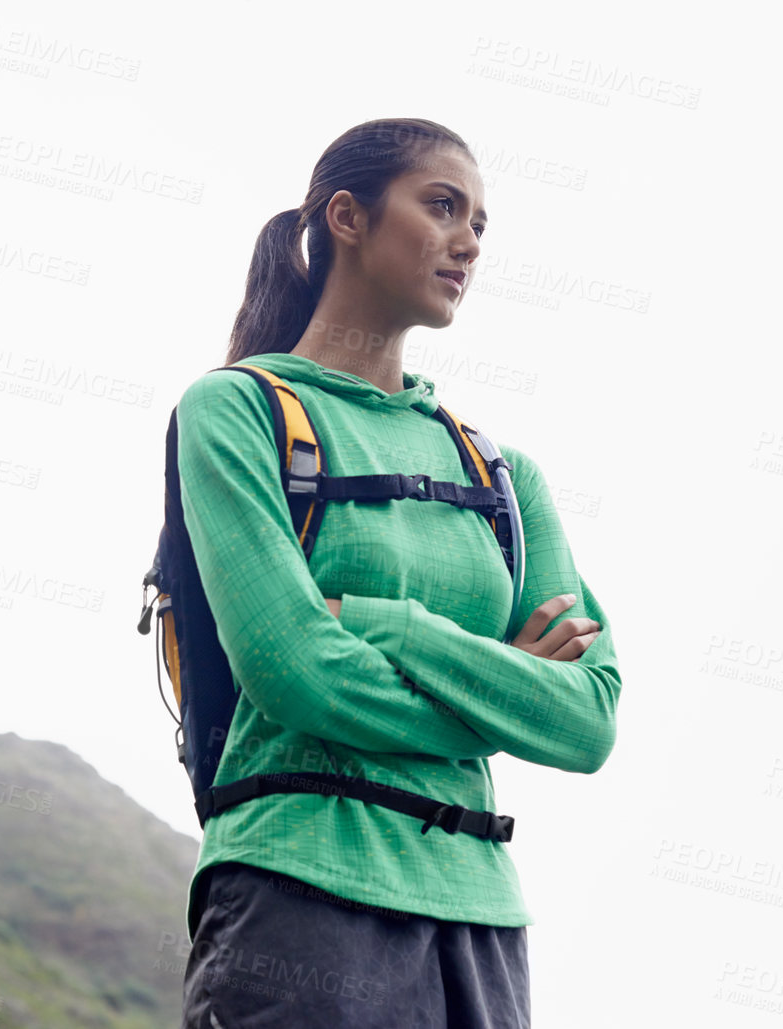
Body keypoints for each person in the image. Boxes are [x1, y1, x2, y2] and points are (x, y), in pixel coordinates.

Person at [176, 117, 622, 1029]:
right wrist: (502, 689)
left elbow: (586, 719)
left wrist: (387, 626)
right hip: (297, 895)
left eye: (480, 225)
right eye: (443, 207)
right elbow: (293, 672)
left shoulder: (502, 474)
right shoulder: (236, 411)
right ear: (348, 216)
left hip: (484, 921)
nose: (467, 243)